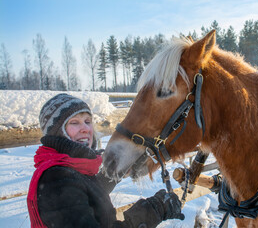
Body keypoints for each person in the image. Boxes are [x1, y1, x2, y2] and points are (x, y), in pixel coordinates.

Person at [27, 93, 184, 228]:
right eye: (74, 122)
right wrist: (152, 211)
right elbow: (70, 193)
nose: (85, 129)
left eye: (88, 121)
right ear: (56, 132)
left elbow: (82, 194)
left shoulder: (68, 170)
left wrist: (113, 175)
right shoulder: (56, 180)